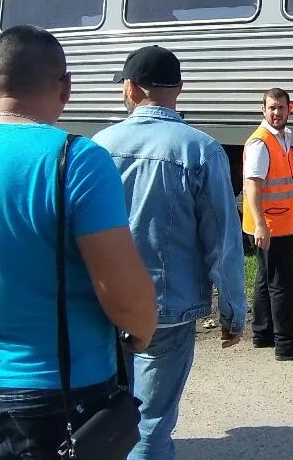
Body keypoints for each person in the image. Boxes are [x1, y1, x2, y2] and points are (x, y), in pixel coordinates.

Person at [0, 25, 157, 459]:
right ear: (66, 88)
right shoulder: (78, 160)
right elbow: (124, 296)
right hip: (67, 388)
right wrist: (142, 335)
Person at [92, 45, 249, 459]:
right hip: (169, 306)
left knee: (104, 416)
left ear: (131, 88)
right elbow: (224, 240)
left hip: (103, 303)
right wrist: (233, 310)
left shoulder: (98, 146)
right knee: (152, 423)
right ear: (178, 88)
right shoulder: (201, 150)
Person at [242, 88, 293, 361]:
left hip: (279, 221)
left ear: (290, 110)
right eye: (272, 108)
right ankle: (285, 344)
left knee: (266, 280)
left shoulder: (283, 138)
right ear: (262, 110)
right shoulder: (261, 143)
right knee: (282, 284)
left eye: (282, 108)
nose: (277, 113)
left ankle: (263, 333)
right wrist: (261, 226)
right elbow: (253, 186)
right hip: (272, 225)